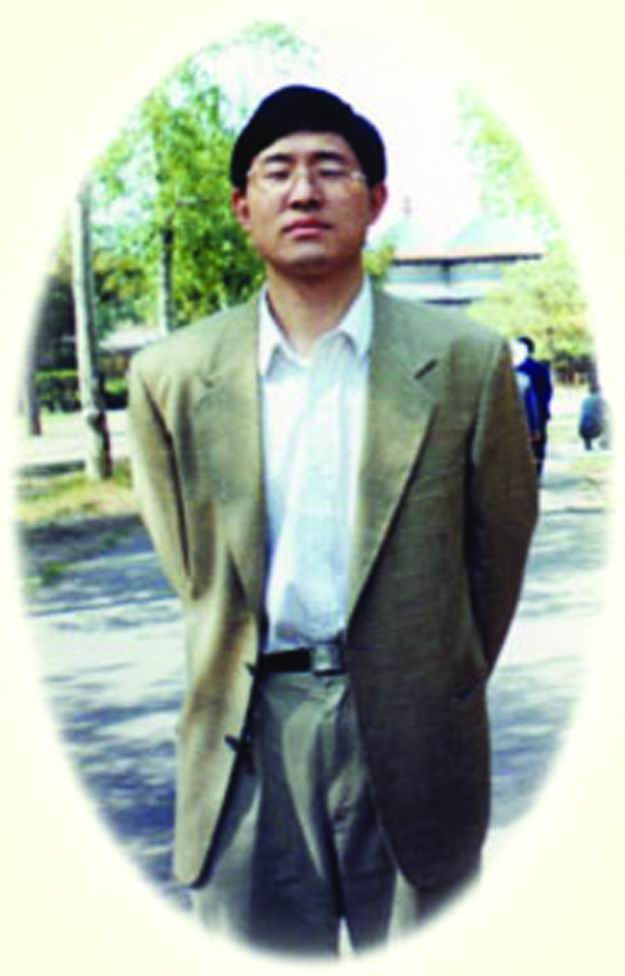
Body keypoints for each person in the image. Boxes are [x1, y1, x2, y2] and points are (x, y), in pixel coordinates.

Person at [127, 85, 538, 957]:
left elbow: (495, 557)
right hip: (247, 734)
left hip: (412, 728)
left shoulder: (465, 363)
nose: (303, 191)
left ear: (375, 200)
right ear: (242, 208)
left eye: (330, 169)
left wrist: (437, 675)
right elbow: (190, 567)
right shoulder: (170, 376)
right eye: (276, 171)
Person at [516, 335, 553, 476]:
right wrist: (543, 408)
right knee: (538, 446)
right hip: (540, 412)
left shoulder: (511, 368)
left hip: (517, 413)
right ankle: (536, 473)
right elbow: (547, 392)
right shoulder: (541, 368)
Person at [579, 378, 610, 450]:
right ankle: (605, 443)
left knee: (588, 421)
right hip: (595, 430)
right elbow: (609, 411)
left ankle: (588, 445)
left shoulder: (585, 400)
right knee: (608, 422)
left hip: (582, 430)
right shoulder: (600, 399)